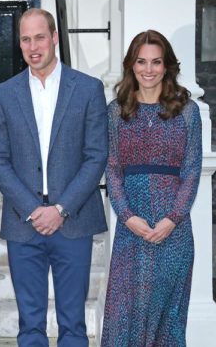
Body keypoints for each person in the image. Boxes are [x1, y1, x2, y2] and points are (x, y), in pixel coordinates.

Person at [0, 8, 108, 346]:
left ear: (55, 38)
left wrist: (61, 208)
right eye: (25, 39)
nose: (33, 46)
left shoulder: (87, 89)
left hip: (73, 220)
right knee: (30, 326)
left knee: (73, 326)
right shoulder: (3, 94)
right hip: (22, 222)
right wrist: (31, 208)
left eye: (40, 37)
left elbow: (96, 155)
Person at [101, 30, 201, 346]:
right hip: (132, 228)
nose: (148, 69)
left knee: (167, 317)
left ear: (166, 65)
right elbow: (113, 169)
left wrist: (172, 218)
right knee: (125, 313)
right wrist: (127, 216)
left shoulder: (187, 111)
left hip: (175, 231)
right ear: (131, 65)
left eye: (156, 62)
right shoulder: (116, 111)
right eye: (141, 61)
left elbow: (192, 170)